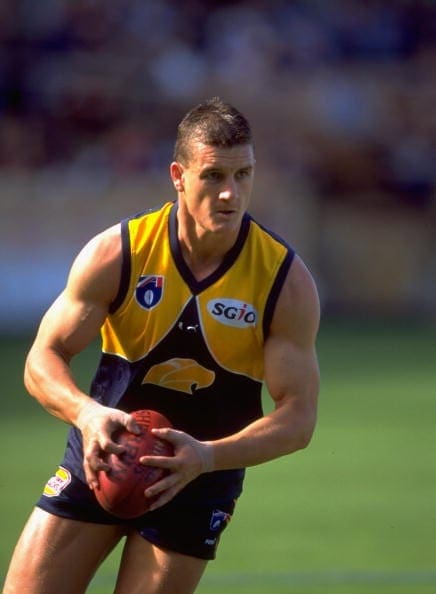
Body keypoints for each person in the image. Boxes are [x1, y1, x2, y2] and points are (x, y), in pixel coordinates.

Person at [3, 97, 320, 594]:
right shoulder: (118, 252)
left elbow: (298, 419)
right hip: (102, 456)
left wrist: (207, 457)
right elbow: (41, 359)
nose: (230, 195)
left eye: (243, 175)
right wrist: (87, 416)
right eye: (214, 176)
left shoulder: (284, 281)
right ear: (179, 175)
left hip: (200, 480)